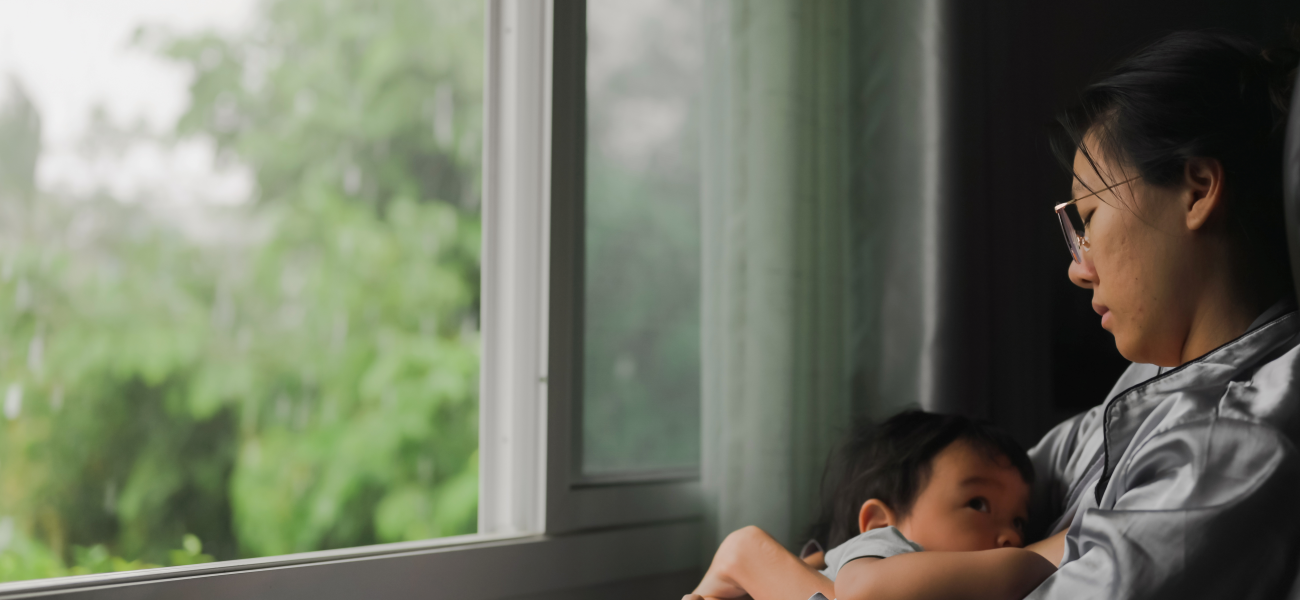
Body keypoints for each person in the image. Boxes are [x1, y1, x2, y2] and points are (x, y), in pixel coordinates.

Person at [692, 27, 1300, 600]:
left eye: (1087, 220)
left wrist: (753, 559)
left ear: (1197, 188)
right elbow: (933, 511)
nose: (1078, 267)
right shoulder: (1137, 395)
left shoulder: (1234, 445)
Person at [686, 411, 1057, 600]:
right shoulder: (887, 550)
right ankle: (740, 556)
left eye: (1021, 521)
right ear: (880, 522)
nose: (1010, 534)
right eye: (978, 503)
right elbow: (863, 589)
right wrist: (1050, 553)